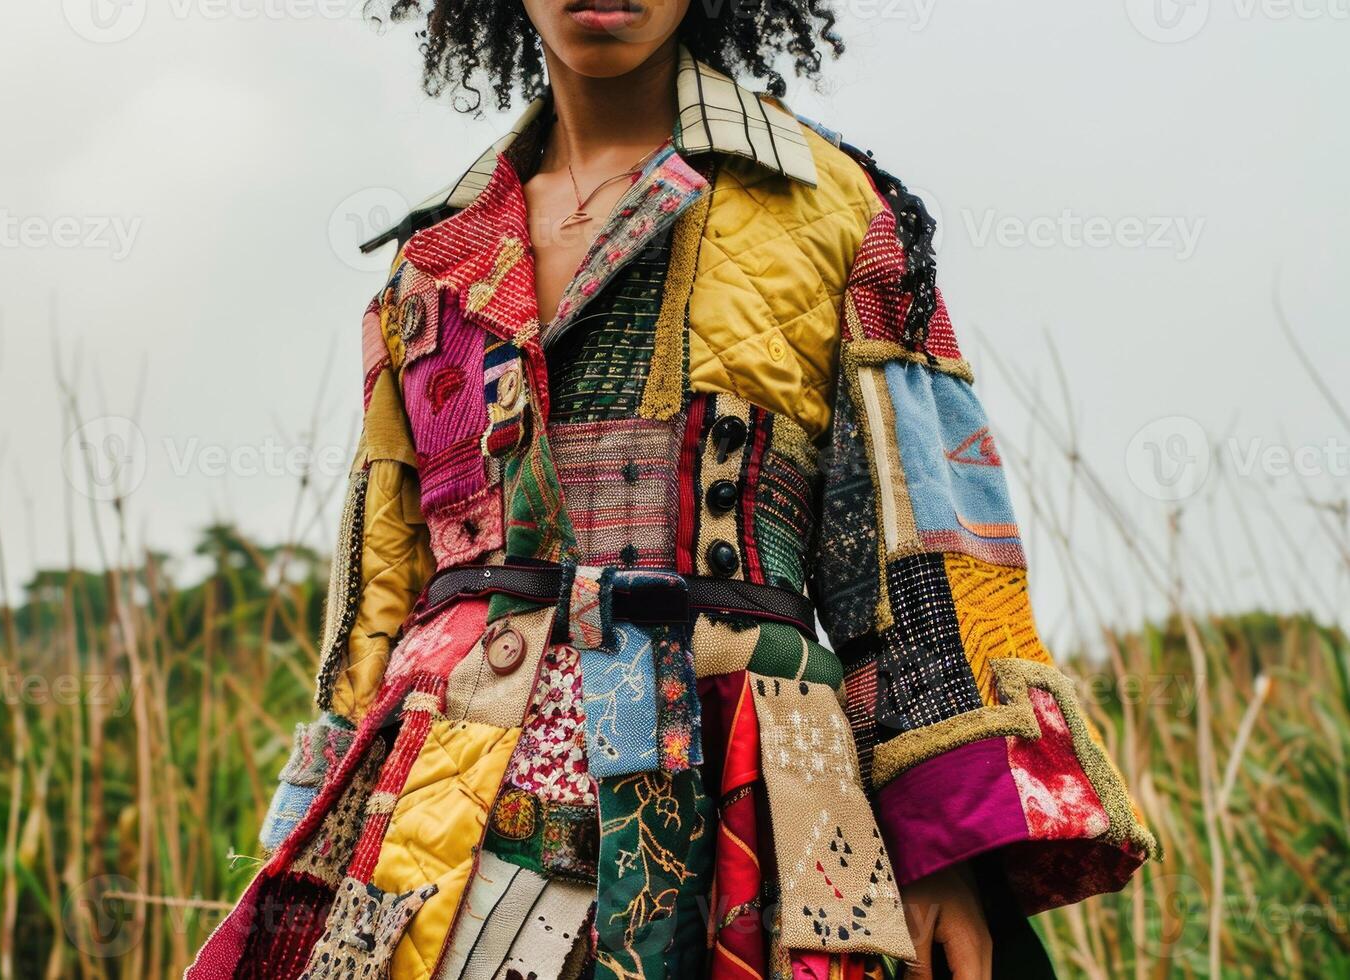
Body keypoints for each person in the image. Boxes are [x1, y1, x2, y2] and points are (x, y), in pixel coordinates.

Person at [191, 2, 1158, 978]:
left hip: (752, 800)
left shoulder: (832, 209)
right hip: (443, 817)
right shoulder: (426, 268)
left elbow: (918, 565)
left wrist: (943, 856)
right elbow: (377, 596)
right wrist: (306, 829)